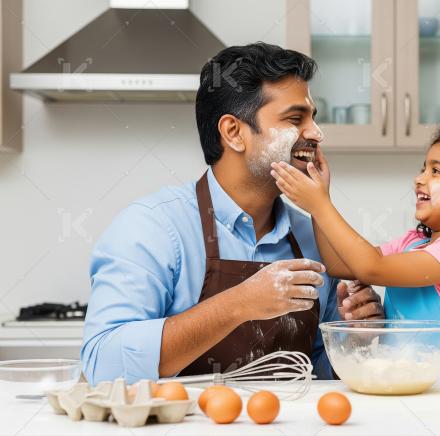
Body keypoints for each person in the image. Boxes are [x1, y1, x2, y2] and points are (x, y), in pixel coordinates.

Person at [81, 42, 383, 385]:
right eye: (296, 118)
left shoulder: (315, 238)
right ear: (234, 133)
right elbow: (102, 364)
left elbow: (319, 376)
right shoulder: (151, 228)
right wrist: (239, 304)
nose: (316, 133)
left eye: (314, 117)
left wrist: (355, 339)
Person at [271, 120, 440, 377]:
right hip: (406, 381)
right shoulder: (413, 243)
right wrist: (322, 199)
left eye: (436, 171)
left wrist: (320, 205)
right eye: (423, 168)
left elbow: (371, 268)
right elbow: (341, 265)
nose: (419, 179)